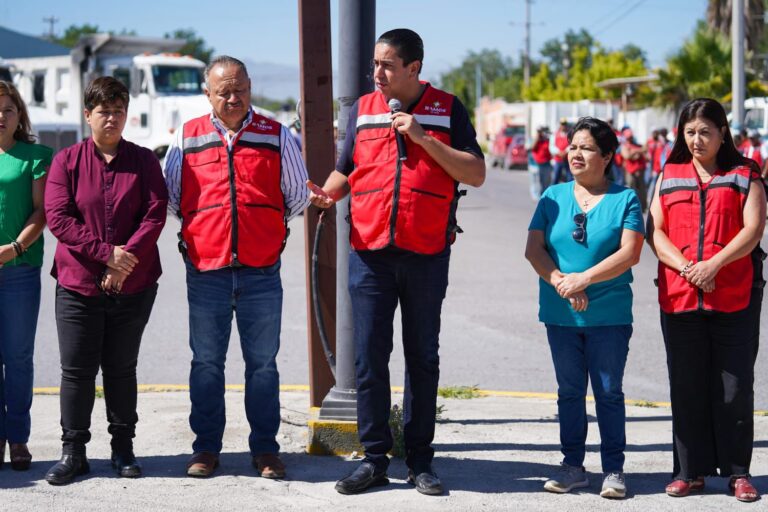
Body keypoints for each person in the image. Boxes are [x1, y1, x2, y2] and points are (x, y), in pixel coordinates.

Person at [308, 28, 485, 496]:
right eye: (374, 64)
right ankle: (372, 459)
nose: (377, 74)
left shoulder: (448, 109)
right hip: (370, 254)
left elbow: (476, 172)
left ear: (414, 68)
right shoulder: (364, 108)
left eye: (387, 65)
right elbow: (346, 169)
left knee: (422, 358)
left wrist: (424, 138)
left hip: (426, 252)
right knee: (369, 359)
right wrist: (327, 194)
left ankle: (420, 460)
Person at [163, 55, 309, 479]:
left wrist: (261, 227)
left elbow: (296, 196)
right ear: (207, 93)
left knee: (263, 365)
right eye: (223, 90)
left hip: (261, 270)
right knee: (206, 363)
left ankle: (265, 450)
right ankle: (206, 449)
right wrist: (206, 231)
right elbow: (172, 197)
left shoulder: (276, 134)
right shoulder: (186, 137)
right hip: (205, 270)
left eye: (240, 88)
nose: (233, 97)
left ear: (251, 88)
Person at [43, 77, 168, 484]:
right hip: (77, 284)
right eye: (103, 111)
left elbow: (155, 212)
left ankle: (123, 448)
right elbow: (59, 218)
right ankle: (73, 451)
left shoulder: (145, 160)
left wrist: (122, 261)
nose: (112, 118)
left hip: (133, 284)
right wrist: (105, 254)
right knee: (76, 371)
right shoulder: (67, 162)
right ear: (87, 115)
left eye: (118, 110)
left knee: (120, 368)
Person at [647, 98, 765, 503]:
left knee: (734, 388)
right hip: (680, 296)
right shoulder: (668, 173)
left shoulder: (745, 175)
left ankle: (738, 473)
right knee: (686, 384)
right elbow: (655, 231)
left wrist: (713, 265)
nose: (697, 140)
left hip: (734, 295)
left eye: (705, 132)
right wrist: (688, 268)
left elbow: (753, 229)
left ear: (723, 134)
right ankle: (689, 471)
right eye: (690, 132)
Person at [525, 117, 644, 500]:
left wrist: (585, 279)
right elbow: (534, 250)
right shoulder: (551, 197)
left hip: (608, 315)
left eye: (587, 147)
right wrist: (562, 281)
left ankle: (613, 469)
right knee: (569, 392)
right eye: (573, 146)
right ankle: (572, 466)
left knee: (608, 391)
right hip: (561, 314)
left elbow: (630, 253)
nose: (576, 153)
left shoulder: (625, 198)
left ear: (607, 156)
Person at [0, 81, 52, 471]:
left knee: (17, 358)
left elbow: (42, 212)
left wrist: (14, 248)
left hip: (19, 270)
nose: (1, 117)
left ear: (20, 115)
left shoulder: (36, 155)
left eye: (8, 109)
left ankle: (18, 439)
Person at [621, 127, 647, 211]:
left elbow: (645, 152)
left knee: (642, 190)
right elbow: (627, 156)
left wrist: (634, 151)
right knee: (631, 189)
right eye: (628, 137)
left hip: (640, 170)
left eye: (631, 137)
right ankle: (632, 207)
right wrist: (638, 152)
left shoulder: (637, 145)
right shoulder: (624, 146)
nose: (630, 138)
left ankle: (643, 207)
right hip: (630, 171)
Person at [531, 126, 553, 196]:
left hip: (546, 163)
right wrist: (538, 136)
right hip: (537, 164)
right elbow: (532, 148)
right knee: (538, 182)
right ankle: (539, 196)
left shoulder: (548, 140)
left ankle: (545, 195)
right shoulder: (536, 140)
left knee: (546, 182)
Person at [551, 119, 571, 184]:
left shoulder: (569, 134)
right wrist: (559, 152)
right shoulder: (554, 134)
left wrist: (565, 152)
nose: (563, 126)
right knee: (555, 178)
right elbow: (551, 146)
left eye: (565, 125)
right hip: (558, 159)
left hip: (567, 160)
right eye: (562, 124)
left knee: (569, 178)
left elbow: (571, 144)